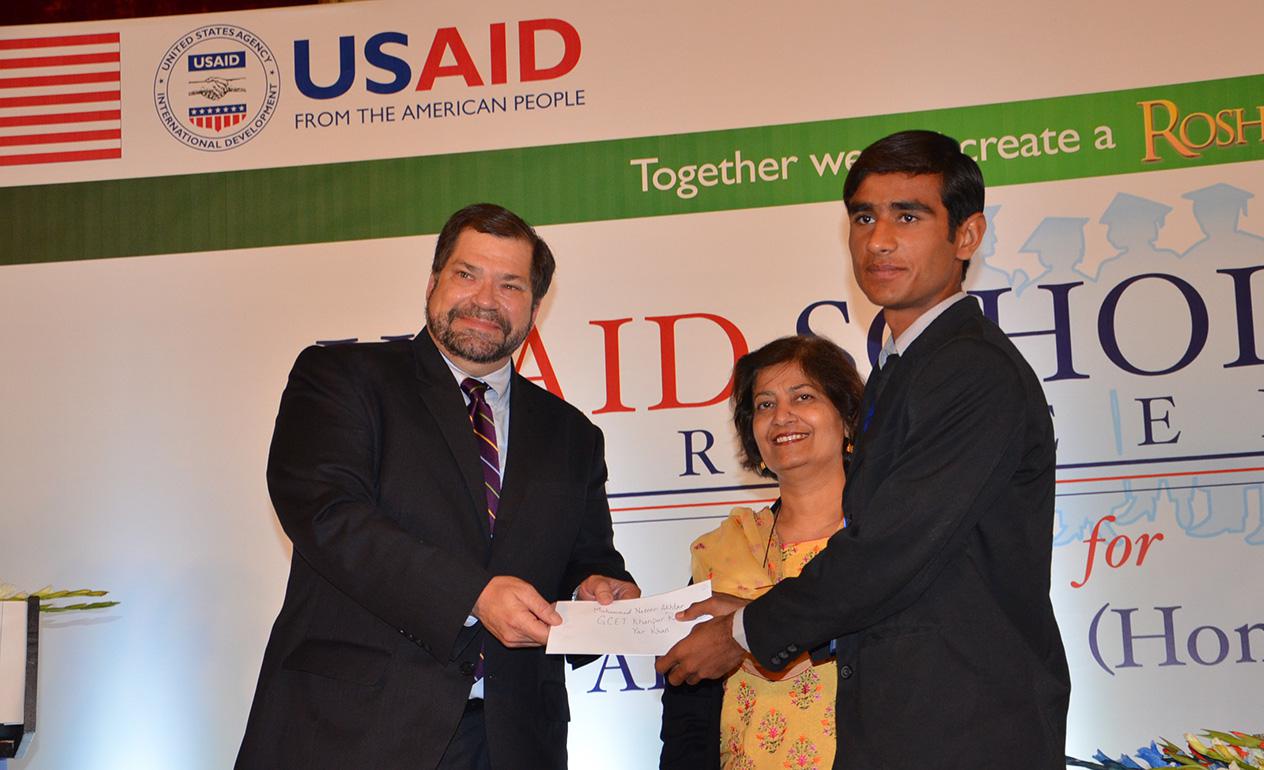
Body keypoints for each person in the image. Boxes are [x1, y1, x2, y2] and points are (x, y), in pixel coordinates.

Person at [657, 130, 1070, 767]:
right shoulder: (900, 370)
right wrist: (752, 617)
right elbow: (911, 576)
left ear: (967, 235)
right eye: (863, 217)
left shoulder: (970, 368)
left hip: (963, 733)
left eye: (909, 216)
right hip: (909, 728)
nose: (878, 240)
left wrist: (744, 632)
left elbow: (890, 550)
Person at [237, 203, 638, 770]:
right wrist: (474, 594)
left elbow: (587, 558)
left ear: (535, 308)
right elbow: (328, 515)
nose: (485, 300)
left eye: (510, 285)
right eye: (467, 274)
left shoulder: (572, 434)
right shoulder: (343, 378)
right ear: (432, 283)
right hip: (354, 731)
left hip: (517, 741)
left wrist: (598, 590)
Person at [660, 335, 864, 769]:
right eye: (765, 404)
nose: (781, 416)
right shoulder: (724, 549)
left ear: (847, 418)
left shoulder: (886, 541)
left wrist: (746, 626)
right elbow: (688, 715)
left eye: (803, 396)